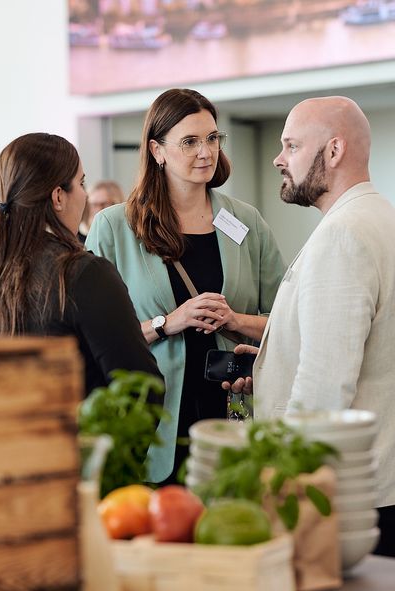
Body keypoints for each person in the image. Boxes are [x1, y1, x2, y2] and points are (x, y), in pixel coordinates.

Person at [86, 87, 286, 484]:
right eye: (190, 141)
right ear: (157, 150)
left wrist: (236, 323)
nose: (205, 152)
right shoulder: (113, 227)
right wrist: (167, 323)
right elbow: (91, 342)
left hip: (233, 408)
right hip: (153, 419)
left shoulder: (245, 221)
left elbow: (287, 319)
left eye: (212, 138)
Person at [223, 96, 395, 557]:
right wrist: (270, 363)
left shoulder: (343, 235)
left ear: (334, 152)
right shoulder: (382, 219)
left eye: (292, 145)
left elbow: (324, 384)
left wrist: (280, 483)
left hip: (348, 495)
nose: (279, 158)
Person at [0, 132, 163, 402]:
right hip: (76, 443)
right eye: (81, 183)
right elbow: (142, 390)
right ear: (58, 196)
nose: (85, 195)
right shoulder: (84, 274)